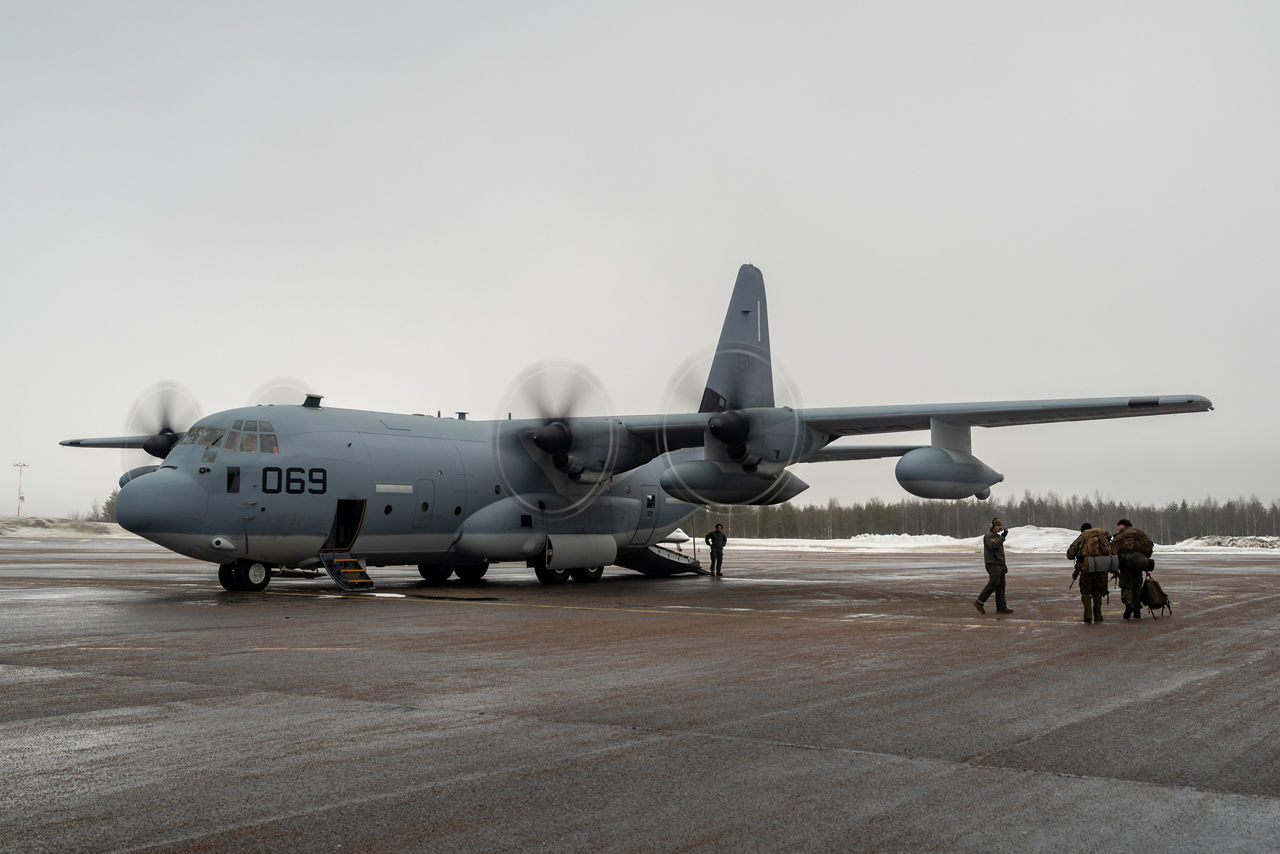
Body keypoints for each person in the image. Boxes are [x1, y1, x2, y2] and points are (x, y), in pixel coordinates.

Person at [1066, 522, 1113, 624]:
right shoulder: (1102, 535)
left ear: (1082, 530)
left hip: (1086, 568)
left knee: (1085, 592)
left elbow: (1070, 554)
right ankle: (1098, 615)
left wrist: (1079, 555)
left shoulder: (1083, 536)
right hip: (1101, 567)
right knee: (1097, 591)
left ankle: (1088, 615)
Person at [1112, 518, 1154, 620]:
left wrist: (1115, 566)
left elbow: (1113, 550)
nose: (1117, 528)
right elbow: (1149, 545)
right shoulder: (1140, 533)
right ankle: (1137, 611)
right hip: (1139, 565)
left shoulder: (1120, 535)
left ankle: (1129, 605)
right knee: (1137, 587)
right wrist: (1145, 562)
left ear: (1122, 525)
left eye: (1118, 526)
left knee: (1126, 586)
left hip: (1125, 564)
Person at [974, 517, 1012, 614]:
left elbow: (1000, 553)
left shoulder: (997, 537)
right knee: (994, 582)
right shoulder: (989, 536)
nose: (1000, 527)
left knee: (1001, 585)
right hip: (992, 564)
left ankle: (1001, 607)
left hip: (999, 564)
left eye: (1000, 526)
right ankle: (979, 602)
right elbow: (993, 546)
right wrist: (1002, 538)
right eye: (998, 526)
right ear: (993, 526)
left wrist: (1004, 565)